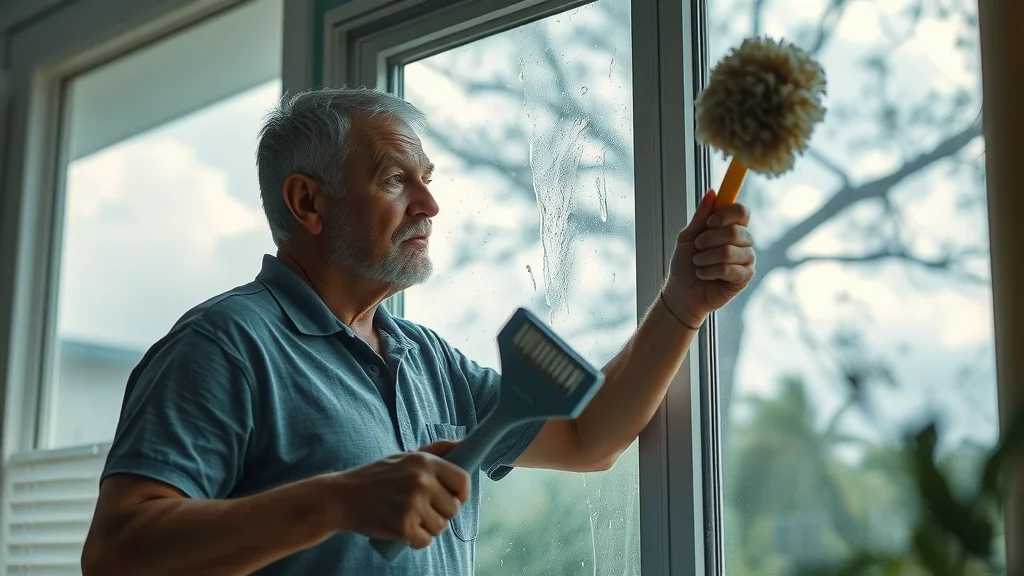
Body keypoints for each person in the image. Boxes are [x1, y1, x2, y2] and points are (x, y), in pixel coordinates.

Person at [80, 87, 756, 575]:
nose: (430, 204)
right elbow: (116, 553)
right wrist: (337, 501)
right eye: (395, 180)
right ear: (308, 202)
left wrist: (682, 303)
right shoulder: (224, 344)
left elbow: (589, 437)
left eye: (427, 180)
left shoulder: (426, 358)